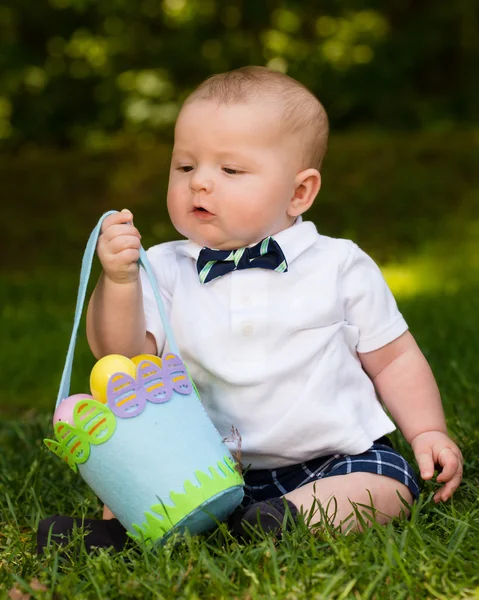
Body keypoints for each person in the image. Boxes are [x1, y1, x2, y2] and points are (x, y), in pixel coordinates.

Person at [37, 66, 463, 552]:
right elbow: (122, 352)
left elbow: (394, 358)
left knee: (388, 483)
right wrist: (118, 281)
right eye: (185, 167)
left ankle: (285, 520)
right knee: (146, 462)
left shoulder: (339, 264)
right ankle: (123, 531)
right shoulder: (163, 267)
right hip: (205, 462)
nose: (200, 183)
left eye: (230, 170)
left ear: (299, 192)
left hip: (330, 458)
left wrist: (428, 429)